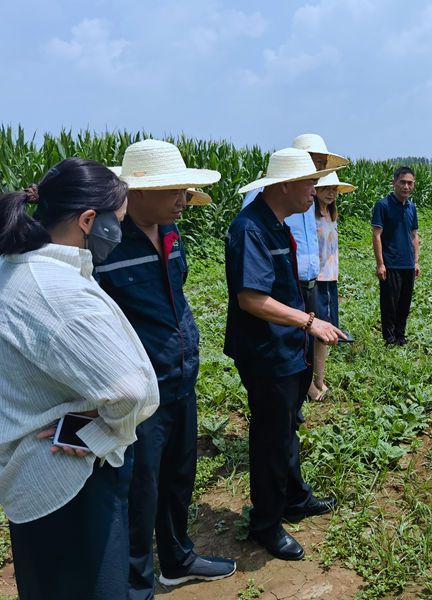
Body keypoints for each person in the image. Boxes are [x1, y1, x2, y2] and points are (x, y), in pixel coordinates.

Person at [0, 158, 159, 600]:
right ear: (89, 220)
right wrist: (97, 430)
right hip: (69, 480)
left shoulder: (12, 268)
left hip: (29, 476)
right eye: (118, 222)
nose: (119, 233)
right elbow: (132, 391)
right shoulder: (59, 291)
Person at [100, 139, 235, 598]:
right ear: (137, 192)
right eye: (173, 190)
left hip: (181, 380)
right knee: (140, 493)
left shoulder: (173, 233)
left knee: (179, 478)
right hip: (138, 394)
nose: (183, 199)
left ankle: (177, 559)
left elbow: (176, 295)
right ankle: (137, 587)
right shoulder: (105, 245)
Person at [225, 147, 345, 561]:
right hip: (265, 352)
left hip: (286, 347)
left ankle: (294, 498)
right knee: (271, 440)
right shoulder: (250, 229)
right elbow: (251, 299)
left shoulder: (277, 225)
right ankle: (266, 523)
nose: (314, 190)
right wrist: (310, 322)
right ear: (284, 186)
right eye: (309, 183)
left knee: (287, 429)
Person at [242, 134, 348, 401]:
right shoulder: (262, 201)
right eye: (317, 161)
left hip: (310, 279)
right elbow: (253, 239)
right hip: (280, 284)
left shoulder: (307, 197)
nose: (320, 169)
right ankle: (294, 391)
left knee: (306, 339)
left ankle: (304, 386)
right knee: (286, 342)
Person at [312, 171, 356, 397]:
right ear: (315, 189)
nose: (331, 193)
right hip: (315, 280)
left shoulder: (331, 214)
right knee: (316, 332)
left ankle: (319, 379)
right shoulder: (308, 215)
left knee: (327, 332)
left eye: (334, 189)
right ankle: (312, 383)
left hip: (330, 279)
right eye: (327, 188)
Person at [371, 166, 420, 345]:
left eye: (410, 183)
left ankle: (400, 336)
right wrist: (380, 264)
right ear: (394, 183)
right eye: (402, 182)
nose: (406, 186)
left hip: (408, 264)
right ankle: (389, 339)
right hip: (391, 263)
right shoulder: (383, 205)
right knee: (389, 304)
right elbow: (377, 235)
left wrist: (416, 261)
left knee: (404, 303)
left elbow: (414, 235)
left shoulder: (411, 207)